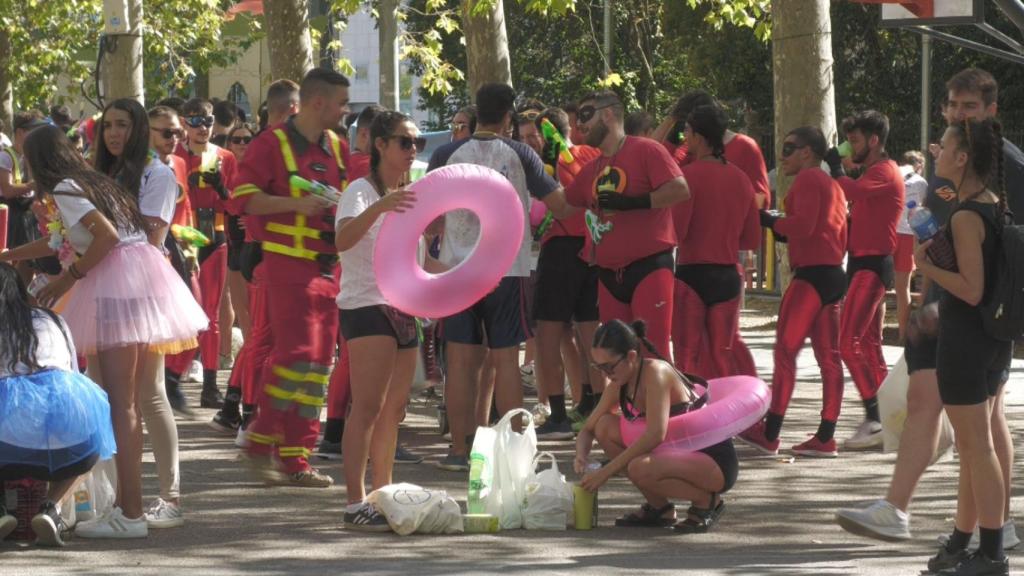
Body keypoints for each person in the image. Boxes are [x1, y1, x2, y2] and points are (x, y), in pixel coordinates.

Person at [835, 67, 1019, 551]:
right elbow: (942, 235)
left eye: (970, 106)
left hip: (976, 315)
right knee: (945, 413)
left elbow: (997, 251)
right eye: (952, 105)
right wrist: (925, 296)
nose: (959, 114)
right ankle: (951, 525)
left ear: (991, 110)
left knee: (980, 427)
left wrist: (957, 289)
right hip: (947, 306)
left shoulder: (1001, 164)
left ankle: (984, 532)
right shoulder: (949, 161)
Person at [0, 125, 206, 538]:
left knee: (121, 404)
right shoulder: (90, 183)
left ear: (38, 162)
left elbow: (106, 238)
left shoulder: (66, 189)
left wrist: (69, 277)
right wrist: (9, 254)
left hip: (116, 285)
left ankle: (130, 514)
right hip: (137, 281)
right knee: (126, 404)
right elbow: (60, 241)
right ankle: (126, 508)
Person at [428, 83, 575, 471]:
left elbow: (426, 214)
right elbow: (560, 205)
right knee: (506, 358)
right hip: (506, 269)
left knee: (459, 360)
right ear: (509, 116)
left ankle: (459, 451)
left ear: (476, 112)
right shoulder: (521, 153)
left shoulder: (445, 153)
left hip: (457, 268)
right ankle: (514, 454)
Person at [233, 67, 351, 487]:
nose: (345, 110)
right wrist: (296, 205)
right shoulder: (271, 143)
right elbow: (244, 199)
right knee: (296, 355)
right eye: (341, 103)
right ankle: (260, 439)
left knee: (319, 366)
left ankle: (295, 458)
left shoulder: (337, 147)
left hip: (328, 267)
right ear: (318, 102)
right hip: (286, 263)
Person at [335, 111, 445, 530]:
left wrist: (470, 279)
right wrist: (380, 206)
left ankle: (382, 493)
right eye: (405, 141)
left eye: (417, 142)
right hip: (366, 305)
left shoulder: (409, 194)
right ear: (380, 145)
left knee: (394, 410)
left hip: (403, 308)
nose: (413, 149)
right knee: (367, 406)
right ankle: (354, 502)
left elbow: (422, 261)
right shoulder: (360, 191)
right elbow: (343, 240)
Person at [916, 118, 1013, 576]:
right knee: (976, 449)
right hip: (992, 341)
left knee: (977, 449)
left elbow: (971, 289)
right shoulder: (993, 204)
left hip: (966, 342)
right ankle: (963, 541)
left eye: (944, 146)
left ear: (962, 158)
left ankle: (992, 553)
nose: (936, 152)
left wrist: (926, 267)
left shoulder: (966, 216)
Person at [94, 99, 186, 529]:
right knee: (105, 393)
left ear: (139, 130)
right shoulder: (100, 172)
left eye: (123, 125)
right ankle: (114, 497)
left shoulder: (157, 174)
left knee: (148, 392)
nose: (114, 133)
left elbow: (153, 237)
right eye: (108, 125)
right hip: (100, 287)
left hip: (142, 287)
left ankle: (169, 497)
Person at [739, 127, 847, 457]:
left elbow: (803, 226)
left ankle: (770, 433)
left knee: (785, 353)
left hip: (811, 277)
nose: (782, 155)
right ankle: (825, 436)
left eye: (788, 148)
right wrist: (782, 226)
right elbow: (817, 228)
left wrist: (768, 221)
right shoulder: (832, 184)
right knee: (829, 358)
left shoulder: (809, 178)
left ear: (807, 152)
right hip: (832, 275)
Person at [574, 319, 738, 533]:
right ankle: (660, 508)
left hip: (713, 462)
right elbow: (588, 428)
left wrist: (605, 472)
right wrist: (581, 455)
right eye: (599, 367)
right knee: (604, 426)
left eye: (608, 366)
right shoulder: (619, 383)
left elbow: (655, 435)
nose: (605, 374)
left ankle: (707, 501)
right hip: (677, 454)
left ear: (631, 356)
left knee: (639, 467)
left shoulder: (656, 373)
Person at [564, 90, 690, 361]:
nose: (580, 124)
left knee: (652, 352)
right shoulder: (592, 168)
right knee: (618, 357)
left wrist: (634, 202)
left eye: (586, 115)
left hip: (649, 267)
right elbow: (563, 205)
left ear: (608, 114)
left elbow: (680, 190)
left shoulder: (646, 149)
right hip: (609, 274)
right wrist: (535, 163)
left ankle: (665, 392)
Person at [0, 263, 116, 546]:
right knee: (94, 435)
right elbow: (72, 374)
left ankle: (2, 510)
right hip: (69, 451)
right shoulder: (54, 320)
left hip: (9, 451)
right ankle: (52, 507)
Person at [655, 90, 767, 378]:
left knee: (687, 355)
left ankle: (694, 407)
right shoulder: (741, 179)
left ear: (698, 136)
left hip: (693, 274)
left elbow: (677, 232)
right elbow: (751, 239)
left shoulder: (689, 177)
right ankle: (737, 405)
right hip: (728, 274)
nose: (685, 138)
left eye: (688, 132)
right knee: (723, 354)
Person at [826, 110, 904, 450]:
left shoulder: (884, 171)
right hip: (864, 264)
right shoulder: (875, 170)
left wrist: (835, 167)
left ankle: (875, 418)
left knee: (847, 343)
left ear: (874, 141)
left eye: (854, 141)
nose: (850, 146)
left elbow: (852, 191)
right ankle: (891, 417)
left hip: (871, 266)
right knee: (869, 345)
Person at [531, 107, 604, 439]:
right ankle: (597, 408)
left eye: (532, 135)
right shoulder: (594, 155)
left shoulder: (548, 163)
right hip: (593, 247)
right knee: (590, 332)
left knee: (547, 333)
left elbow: (541, 209)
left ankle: (558, 415)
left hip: (561, 247)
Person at [164, 98, 239, 412]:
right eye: (195, 121)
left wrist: (221, 188)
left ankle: (210, 385)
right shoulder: (175, 157)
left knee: (211, 315)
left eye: (207, 121)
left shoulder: (225, 157)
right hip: (182, 239)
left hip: (215, 236)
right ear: (184, 123)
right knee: (180, 313)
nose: (202, 127)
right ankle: (170, 377)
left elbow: (236, 205)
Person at [210, 123, 258, 435]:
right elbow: (228, 207)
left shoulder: (257, 171)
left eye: (246, 139)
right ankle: (241, 408)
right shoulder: (226, 169)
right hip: (241, 256)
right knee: (255, 337)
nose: (241, 144)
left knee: (257, 338)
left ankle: (233, 406)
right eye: (236, 140)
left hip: (253, 254)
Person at [895, 150, 927, 343]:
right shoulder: (921, 183)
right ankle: (903, 337)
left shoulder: (893, 176)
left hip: (888, 232)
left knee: (879, 288)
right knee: (903, 289)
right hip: (908, 235)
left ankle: (875, 335)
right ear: (919, 166)